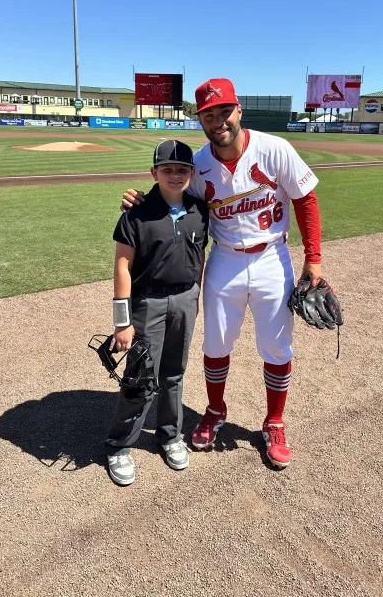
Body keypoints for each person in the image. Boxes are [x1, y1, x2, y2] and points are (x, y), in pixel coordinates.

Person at [122, 78, 323, 470]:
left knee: (277, 347)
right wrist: (140, 200)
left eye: (224, 111)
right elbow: (170, 194)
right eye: (209, 115)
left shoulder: (274, 149)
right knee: (215, 345)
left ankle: (274, 422)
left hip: (271, 257)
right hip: (225, 261)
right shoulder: (198, 165)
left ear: (238, 111)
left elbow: (306, 199)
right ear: (201, 120)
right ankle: (215, 412)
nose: (218, 121)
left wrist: (313, 259)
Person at [105, 139, 209, 486]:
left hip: (185, 300)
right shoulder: (137, 211)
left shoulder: (199, 209)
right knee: (140, 378)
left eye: (182, 170)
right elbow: (122, 264)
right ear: (154, 173)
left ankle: (169, 436)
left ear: (191, 174)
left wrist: (196, 296)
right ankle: (120, 446)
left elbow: (200, 258)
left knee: (174, 375)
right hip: (147, 303)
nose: (175, 175)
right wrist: (122, 320)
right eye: (168, 170)